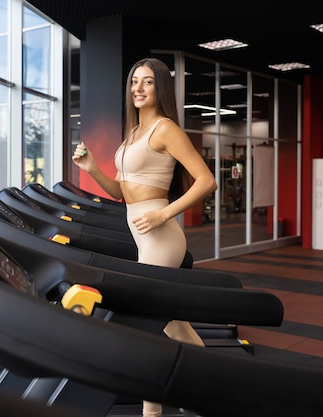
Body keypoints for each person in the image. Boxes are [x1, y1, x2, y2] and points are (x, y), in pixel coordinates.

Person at [72, 57, 217, 417]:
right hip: (142, 232)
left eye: (147, 82)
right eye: (134, 81)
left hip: (162, 236)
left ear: (160, 88)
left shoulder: (165, 129)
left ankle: (151, 413)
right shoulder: (134, 132)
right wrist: (92, 168)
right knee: (175, 327)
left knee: (145, 328)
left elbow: (206, 180)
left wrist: (164, 213)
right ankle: (213, 388)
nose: (138, 88)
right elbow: (122, 192)